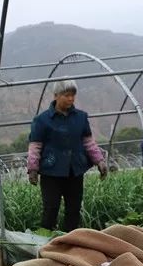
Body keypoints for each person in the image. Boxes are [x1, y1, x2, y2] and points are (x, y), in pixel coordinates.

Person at [26, 80, 107, 233]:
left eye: (73, 95)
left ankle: (70, 241)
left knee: (74, 208)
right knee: (51, 208)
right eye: (66, 95)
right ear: (56, 96)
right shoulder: (42, 120)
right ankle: (45, 240)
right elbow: (35, 146)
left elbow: (88, 141)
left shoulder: (81, 118)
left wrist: (100, 160)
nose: (71, 99)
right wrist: (33, 168)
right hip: (51, 172)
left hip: (74, 170)